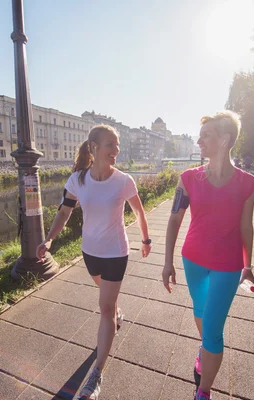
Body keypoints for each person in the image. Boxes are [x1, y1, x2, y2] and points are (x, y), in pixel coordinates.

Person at [36, 124, 152, 400]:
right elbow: (64, 211)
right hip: (89, 252)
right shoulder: (78, 180)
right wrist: (49, 239)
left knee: (105, 308)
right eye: (111, 144)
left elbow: (139, 212)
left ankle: (96, 375)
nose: (117, 150)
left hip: (115, 252)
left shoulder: (124, 181)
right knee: (106, 300)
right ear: (94, 148)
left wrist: (145, 240)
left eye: (117, 144)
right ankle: (115, 313)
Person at [162, 111, 254, 400]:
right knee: (201, 311)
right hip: (192, 260)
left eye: (206, 135)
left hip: (227, 266)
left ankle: (203, 392)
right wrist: (167, 262)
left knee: (214, 330)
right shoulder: (188, 178)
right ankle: (203, 348)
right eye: (200, 135)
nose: (199, 140)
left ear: (225, 139)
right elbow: (174, 219)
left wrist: (248, 265)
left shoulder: (247, 184)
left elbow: (246, 226)